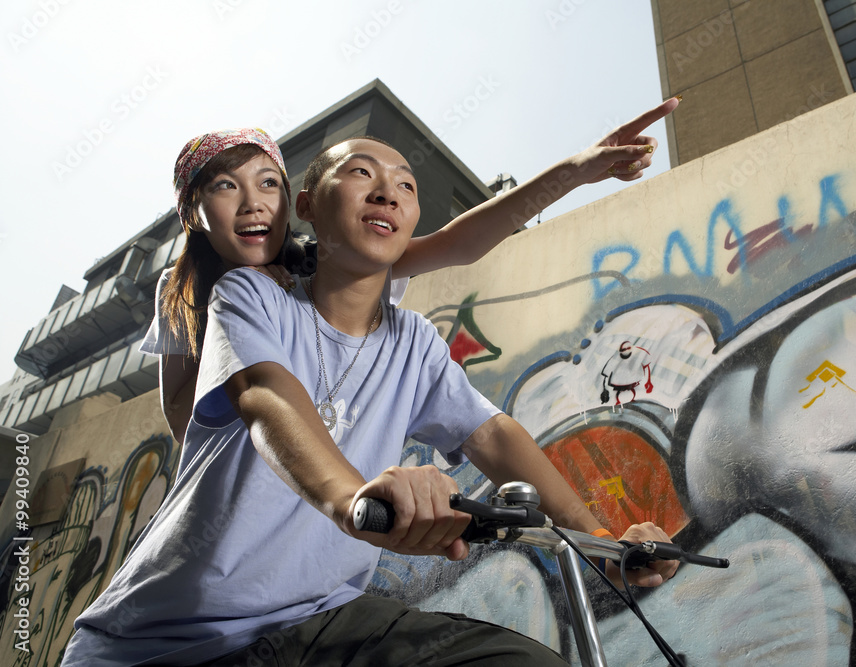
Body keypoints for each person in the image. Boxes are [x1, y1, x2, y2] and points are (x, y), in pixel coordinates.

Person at [63, 102, 682, 666]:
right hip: (170, 641)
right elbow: (255, 399)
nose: (387, 192)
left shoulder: (408, 334)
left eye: (407, 185)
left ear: (287, 205)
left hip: (316, 621)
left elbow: (493, 431)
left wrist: (597, 539)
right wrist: (350, 500)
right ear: (310, 204)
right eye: (362, 174)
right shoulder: (239, 294)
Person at [148, 99, 680, 446]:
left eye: (268, 185)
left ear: (294, 202)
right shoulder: (182, 295)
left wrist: (574, 171)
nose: (252, 204)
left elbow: (458, 243)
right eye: (224, 187)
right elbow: (179, 407)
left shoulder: (327, 264)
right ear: (191, 212)